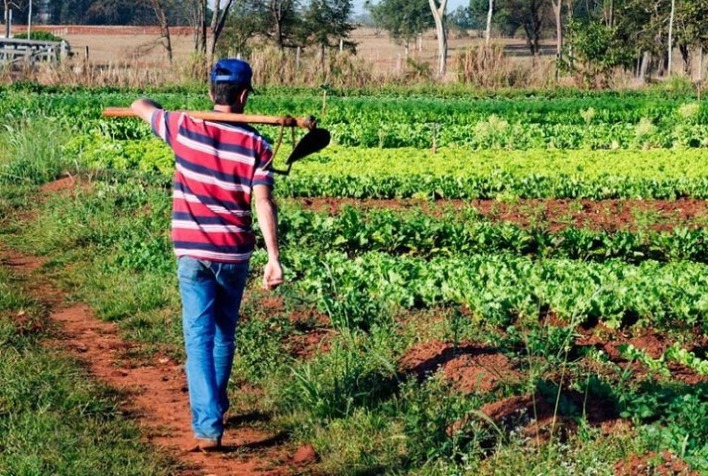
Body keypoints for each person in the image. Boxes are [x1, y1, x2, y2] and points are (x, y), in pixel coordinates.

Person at [130, 58, 283, 452]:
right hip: (234, 253)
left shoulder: (182, 126)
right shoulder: (257, 144)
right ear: (245, 96)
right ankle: (213, 408)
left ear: (209, 93)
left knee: (199, 338)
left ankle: (208, 424)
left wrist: (155, 105)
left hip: (192, 252)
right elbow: (264, 204)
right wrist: (273, 257)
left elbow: (138, 104)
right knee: (223, 335)